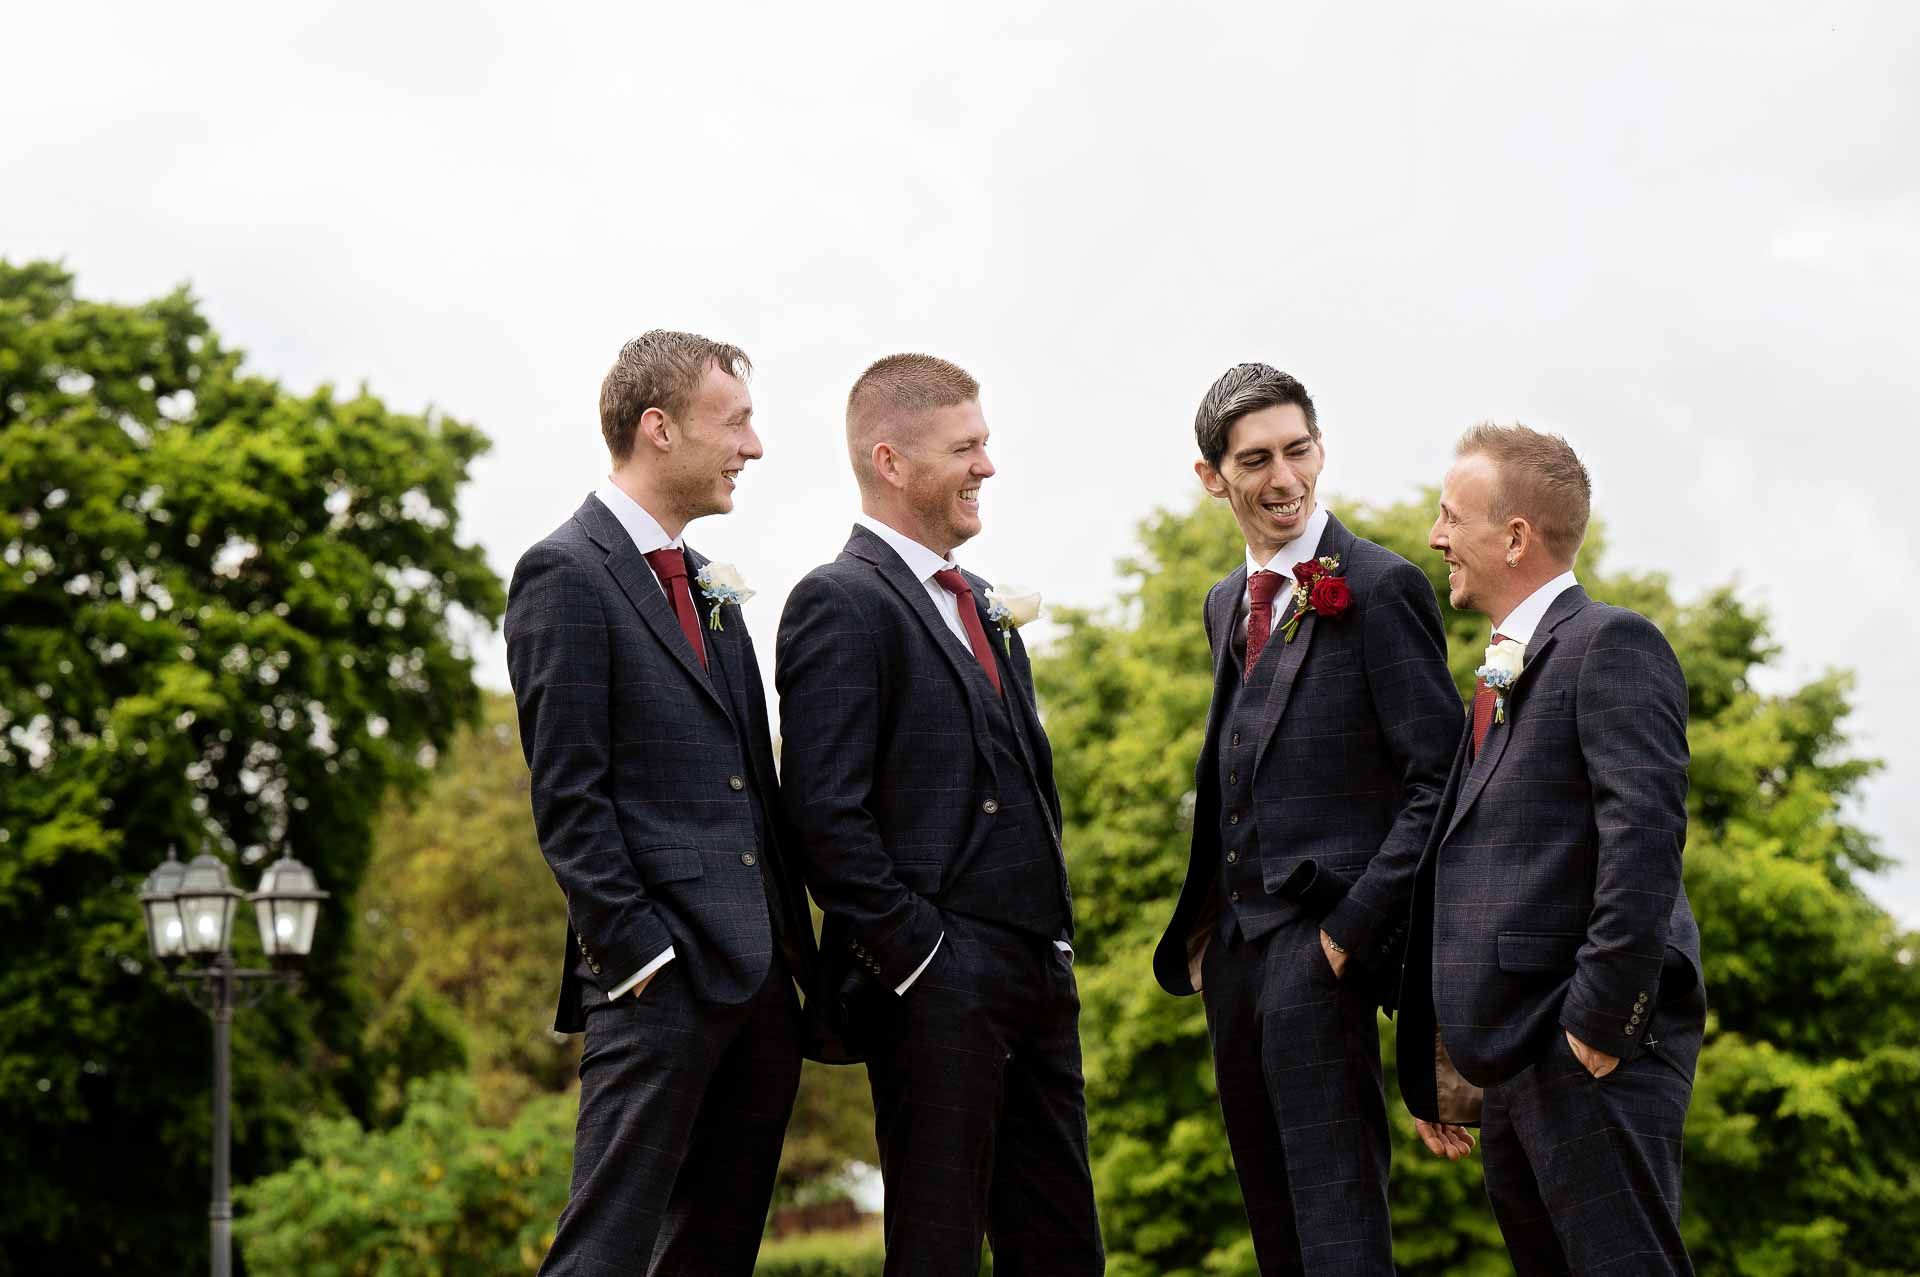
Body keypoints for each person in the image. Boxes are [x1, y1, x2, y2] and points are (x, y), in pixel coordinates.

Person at [776, 353, 1103, 1276]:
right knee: (938, 1252)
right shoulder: (837, 600)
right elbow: (823, 817)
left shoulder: (982, 604)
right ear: (891, 460)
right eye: (967, 448)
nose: (987, 467)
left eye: (986, 444)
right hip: (934, 987)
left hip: (1038, 972)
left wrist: (1056, 945)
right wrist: (923, 958)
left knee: (1066, 1250)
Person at [504, 331, 821, 1275]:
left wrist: (795, 962)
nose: (754, 447)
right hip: (658, 983)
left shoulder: (712, 590)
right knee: (602, 1254)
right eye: (737, 423)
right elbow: (569, 796)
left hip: (761, 985)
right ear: (659, 428)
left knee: (714, 1254)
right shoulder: (564, 573)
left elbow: (752, 789)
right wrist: (639, 956)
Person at [1150, 363, 1461, 1274]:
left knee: (1339, 1229)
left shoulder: (1381, 585)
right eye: (1256, 459)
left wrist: (1349, 936)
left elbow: (1438, 780)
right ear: (1213, 476)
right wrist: (1216, 943)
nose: (1284, 478)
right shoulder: (1222, 605)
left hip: (1323, 945)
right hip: (1235, 952)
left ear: (1320, 448)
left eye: (1298, 450)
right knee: (1274, 1223)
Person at [1399, 423, 1705, 1276]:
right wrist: (1446, 1065)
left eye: (1450, 516)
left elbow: (1644, 837)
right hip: (1512, 1064)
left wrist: (1597, 1028)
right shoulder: (1506, 665)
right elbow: (1476, 872)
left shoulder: (1613, 643)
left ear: (1516, 536)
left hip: (1584, 1051)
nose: (1436, 537)